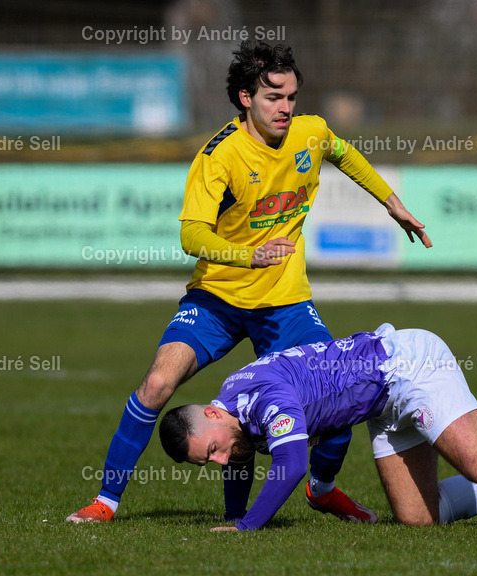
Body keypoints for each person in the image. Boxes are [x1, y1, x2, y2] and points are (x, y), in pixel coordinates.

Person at [67, 41, 431, 523]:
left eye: (291, 97)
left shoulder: (310, 134)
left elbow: (342, 154)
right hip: (217, 298)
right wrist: (248, 254)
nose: (285, 108)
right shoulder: (219, 156)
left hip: (284, 302)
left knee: (337, 398)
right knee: (157, 382)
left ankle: (321, 489)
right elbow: (191, 234)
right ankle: (106, 502)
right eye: (272, 96)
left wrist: (389, 200)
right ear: (245, 97)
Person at [159, 324, 477, 531]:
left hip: (409, 368)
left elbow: (291, 464)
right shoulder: (229, 409)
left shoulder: (264, 400)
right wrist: (232, 517)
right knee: (420, 519)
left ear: (212, 414)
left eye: (215, 450)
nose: (223, 460)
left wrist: (247, 528)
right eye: (210, 462)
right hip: (382, 403)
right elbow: (241, 457)